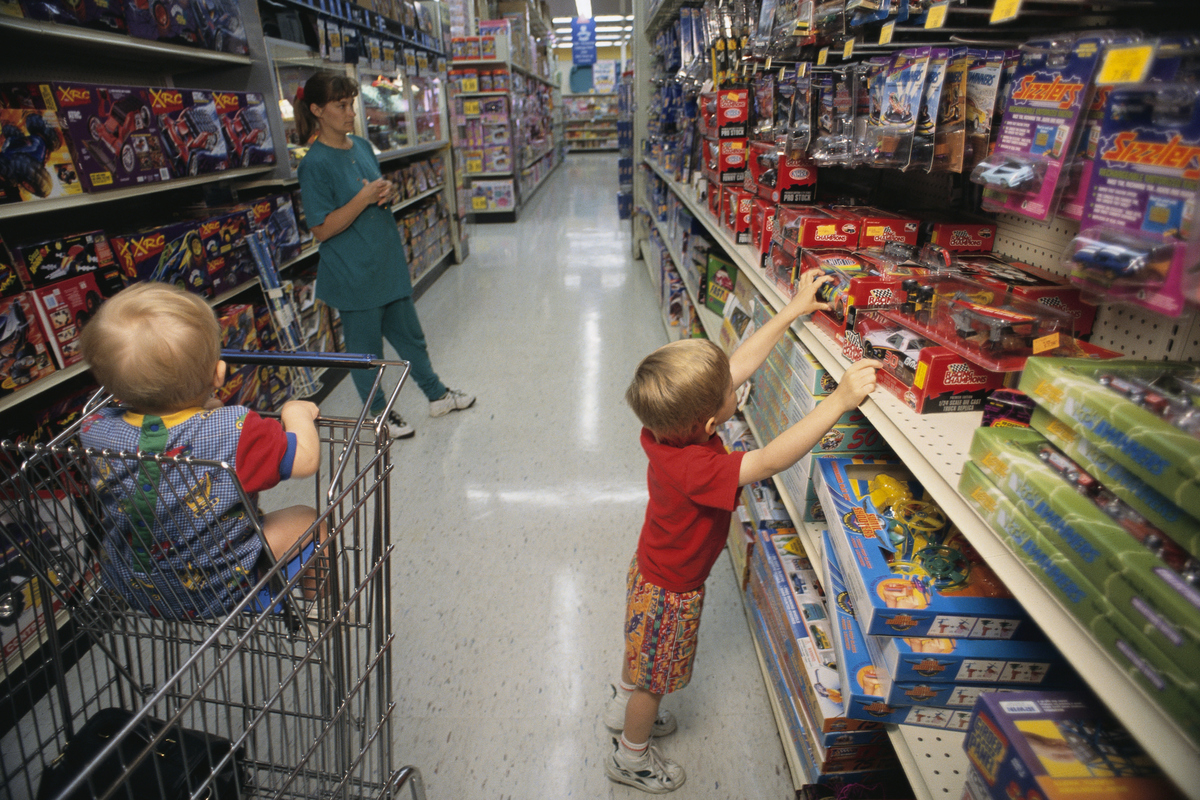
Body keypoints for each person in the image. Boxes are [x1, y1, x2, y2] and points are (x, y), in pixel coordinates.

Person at [602, 270, 880, 793]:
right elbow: (772, 458)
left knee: (641, 650)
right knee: (655, 680)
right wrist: (838, 402)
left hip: (650, 568)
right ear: (710, 425)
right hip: (671, 590)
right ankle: (630, 755)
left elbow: (739, 364)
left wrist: (794, 309)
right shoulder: (698, 469)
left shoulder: (663, 430)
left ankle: (622, 702)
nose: (735, 384)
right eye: (727, 393)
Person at [78, 282, 325, 619]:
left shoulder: (94, 428)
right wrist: (296, 413)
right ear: (218, 373)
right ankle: (314, 609)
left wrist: (201, 406)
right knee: (311, 520)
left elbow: (165, 429)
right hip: (217, 586)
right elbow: (306, 460)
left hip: (135, 585)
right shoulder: (235, 430)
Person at [295, 72, 473, 439]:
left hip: (385, 262)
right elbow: (322, 228)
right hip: (353, 272)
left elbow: (369, 190)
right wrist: (361, 199)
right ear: (317, 110)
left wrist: (385, 191)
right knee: (366, 351)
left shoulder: (360, 145)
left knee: (411, 337)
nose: (350, 112)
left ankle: (436, 395)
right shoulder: (314, 164)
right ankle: (378, 413)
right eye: (341, 105)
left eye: (351, 103)